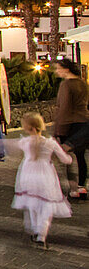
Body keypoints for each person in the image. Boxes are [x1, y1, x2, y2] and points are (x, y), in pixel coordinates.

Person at [0, 112, 72, 248]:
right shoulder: (50, 143)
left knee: (31, 203)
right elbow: (65, 159)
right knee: (46, 205)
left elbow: (2, 143)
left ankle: (34, 228)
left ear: (28, 128)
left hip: (28, 176)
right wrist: (70, 158)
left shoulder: (25, 142)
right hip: (46, 176)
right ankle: (41, 234)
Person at [53, 58, 89, 200]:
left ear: (66, 69)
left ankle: (73, 189)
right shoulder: (82, 83)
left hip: (68, 124)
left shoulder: (66, 85)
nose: (57, 71)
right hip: (83, 122)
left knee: (66, 157)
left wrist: (58, 129)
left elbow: (64, 108)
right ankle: (82, 186)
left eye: (58, 68)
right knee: (81, 156)